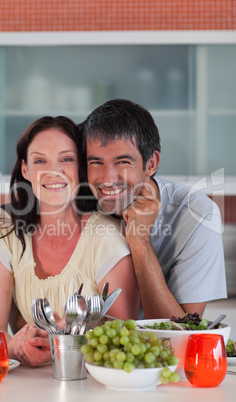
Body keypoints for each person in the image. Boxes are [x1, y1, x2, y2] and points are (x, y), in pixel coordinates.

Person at [0, 115, 139, 367]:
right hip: (26, 386)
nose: (53, 171)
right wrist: (17, 346)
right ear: (25, 169)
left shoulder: (107, 235)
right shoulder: (3, 228)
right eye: (40, 160)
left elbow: (124, 334)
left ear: (80, 168)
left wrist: (67, 341)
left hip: (92, 382)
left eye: (66, 159)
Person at [80, 98, 227, 320]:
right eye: (96, 162)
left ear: (151, 164)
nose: (108, 180)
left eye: (123, 162)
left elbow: (182, 333)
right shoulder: (80, 204)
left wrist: (140, 242)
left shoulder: (197, 215)